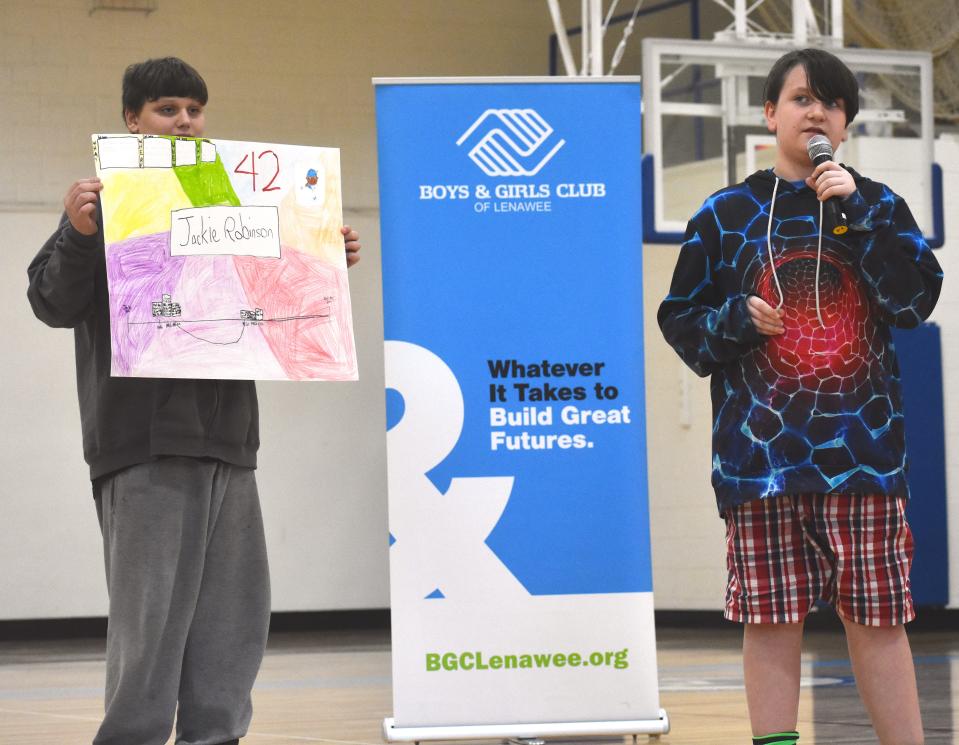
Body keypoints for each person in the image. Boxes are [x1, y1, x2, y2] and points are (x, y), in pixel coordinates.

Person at [27, 57, 361, 745]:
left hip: (230, 441)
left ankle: (218, 736)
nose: (184, 121)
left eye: (194, 110)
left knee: (234, 620)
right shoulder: (101, 203)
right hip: (142, 444)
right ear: (131, 119)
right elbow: (51, 302)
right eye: (167, 109)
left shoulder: (232, 198)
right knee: (150, 623)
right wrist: (78, 232)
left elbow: (275, 294)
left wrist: (321, 254)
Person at [658, 48, 942, 745]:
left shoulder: (875, 204)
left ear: (844, 123)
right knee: (771, 617)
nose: (816, 111)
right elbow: (681, 324)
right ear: (768, 113)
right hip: (761, 464)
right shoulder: (723, 216)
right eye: (799, 99)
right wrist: (736, 320)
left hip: (864, 460)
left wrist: (857, 215)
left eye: (832, 101)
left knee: (878, 618)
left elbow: (913, 303)